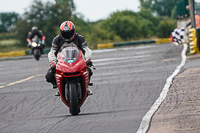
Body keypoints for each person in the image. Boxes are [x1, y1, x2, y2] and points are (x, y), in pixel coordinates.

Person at [45, 21, 93, 96]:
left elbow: (86, 49)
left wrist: (88, 59)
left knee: (89, 70)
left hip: (77, 61)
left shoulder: (80, 38)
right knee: (49, 75)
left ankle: (86, 87)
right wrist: (52, 62)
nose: (67, 35)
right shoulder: (56, 40)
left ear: (73, 31)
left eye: (69, 33)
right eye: (65, 33)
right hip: (62, 62)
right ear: (61, 32)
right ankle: (58, 86)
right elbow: (52, 52)